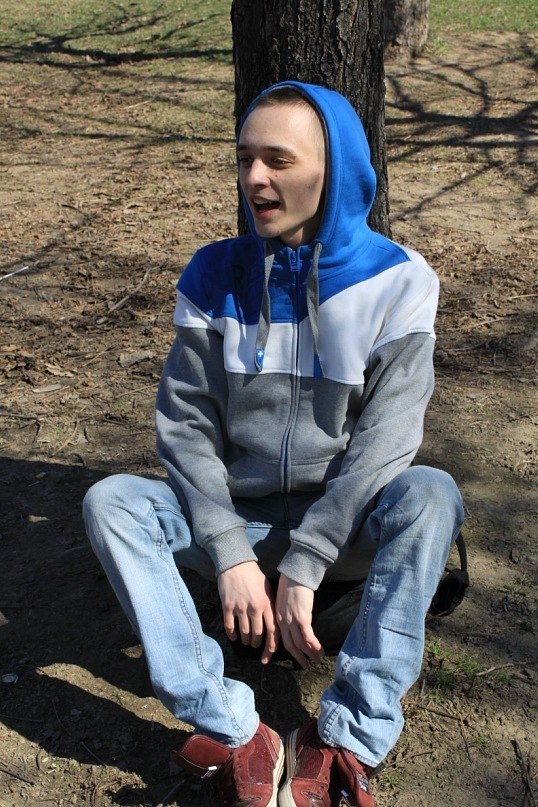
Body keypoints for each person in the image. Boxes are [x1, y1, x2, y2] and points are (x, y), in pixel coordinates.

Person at [83, 81, 464, 807]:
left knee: (431, 493)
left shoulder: (398, 281)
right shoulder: (214, 274)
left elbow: (387, 441)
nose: (255, 178)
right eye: (245, 159)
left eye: (278, 160)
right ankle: (233, 730)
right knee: (113, 502)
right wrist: (230, 552)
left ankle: (347, 735)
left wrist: (309, 557)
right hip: (241, 521)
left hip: (344, 531)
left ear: (334, 171)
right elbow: (186, 425)